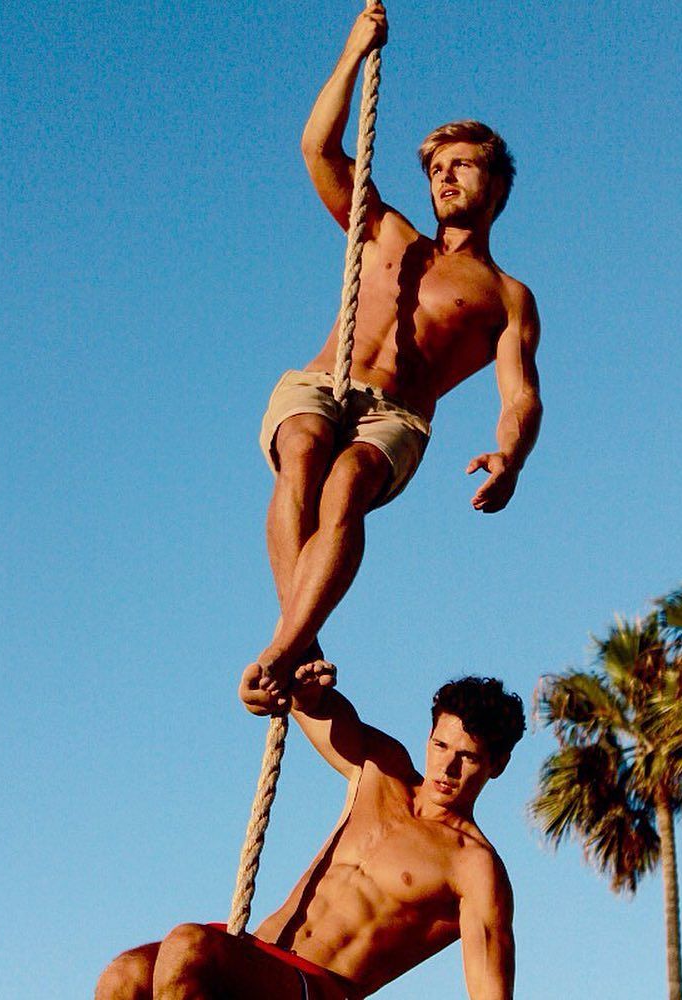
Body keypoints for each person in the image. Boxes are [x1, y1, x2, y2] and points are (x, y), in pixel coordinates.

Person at [251, 2, 543, 706]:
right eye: (437, 167)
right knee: (303, 447)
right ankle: (298, 644)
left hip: (396, 417)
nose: (445, 177)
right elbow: (318, 150)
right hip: (323, 382)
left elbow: (520, 394)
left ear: (498, 184)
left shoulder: (506, 295)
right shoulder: (385, 230)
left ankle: (283, 650)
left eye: (463, 165)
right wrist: (354, 53)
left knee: (347, 481)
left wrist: (511, 455)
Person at [95, 666, 526, 999]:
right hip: (257, 954)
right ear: (429, 736)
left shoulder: (474, 865)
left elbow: (490, 992)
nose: (447, 767)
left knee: (188, 946)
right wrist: (295, 678)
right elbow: (316, 702)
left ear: (498, 765)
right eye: (440, 745)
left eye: (468, 756)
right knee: (124, 975)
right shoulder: (383, 769)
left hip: (319, 986)